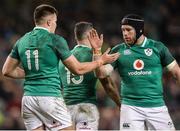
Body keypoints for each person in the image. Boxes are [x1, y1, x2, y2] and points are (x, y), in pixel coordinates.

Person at [1, 4, 119, 130]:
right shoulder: (55, 40)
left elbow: (7, 70)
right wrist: (100, 60)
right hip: (48, 97)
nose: (56, 25)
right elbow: (78, 69)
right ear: (49, 22)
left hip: (28, 100)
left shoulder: (21, 41)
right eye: (55, 22)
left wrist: (34, 73)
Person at [88, 14, 180, 130]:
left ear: (139, 30)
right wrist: (96, 51)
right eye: (123, 30)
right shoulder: (118, 50)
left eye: (128, 30)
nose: (125, 33)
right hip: (130, 108)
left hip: (157, 106)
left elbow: (177, 72)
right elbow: (101, 74)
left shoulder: (158, 48)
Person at [58, 21, 120, 130]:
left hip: (66, 109)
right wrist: (120, 104)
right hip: (86, 107)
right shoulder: (96, 57)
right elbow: (108, 85)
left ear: (76, 36)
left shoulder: (65, 58)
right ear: (91, 34)